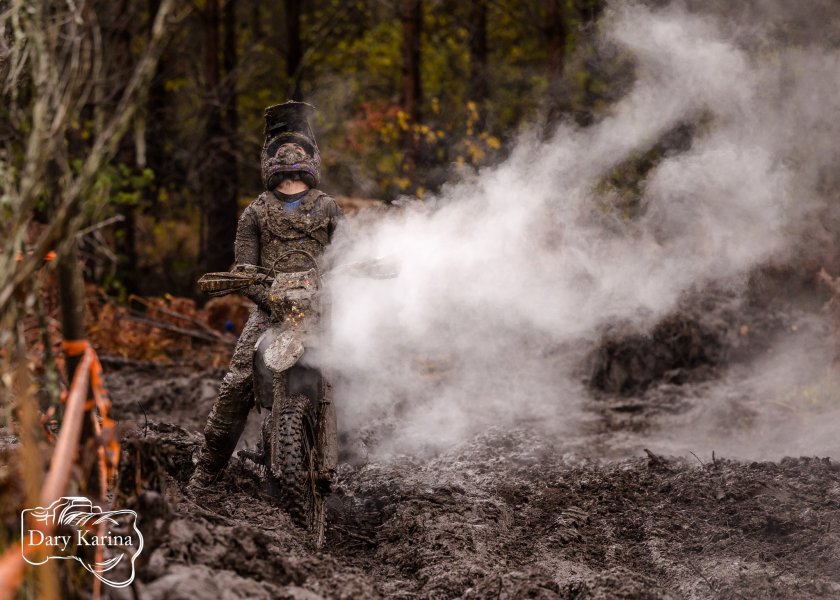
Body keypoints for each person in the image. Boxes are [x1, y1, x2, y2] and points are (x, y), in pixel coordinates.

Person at [188, 101, 342, 493]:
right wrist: (269, 297)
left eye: (297, 154)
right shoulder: (255, 213)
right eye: (280, 154)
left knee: (361, 363)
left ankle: (356, 447)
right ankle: (206, 471)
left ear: (310, 158)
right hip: (270, 311)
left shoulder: (329, 208)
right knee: (238, 383)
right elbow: (244, 270)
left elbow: (347, 256)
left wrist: (343, 279)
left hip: (322, 309)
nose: (289, 163)